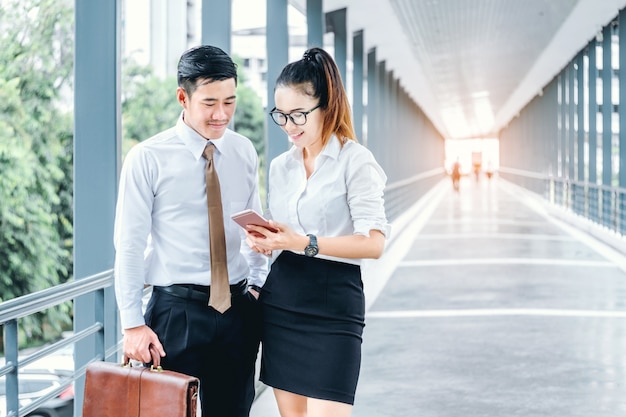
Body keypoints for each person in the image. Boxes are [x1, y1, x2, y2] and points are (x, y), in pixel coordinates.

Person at [113, 45, 268, 417]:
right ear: (183, 97)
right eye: (210, 103)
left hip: (236, 310)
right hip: (176, 313)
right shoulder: (148, 158)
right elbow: (130, 245)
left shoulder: (244, 151)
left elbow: (255, 226)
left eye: (229, 102)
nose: (221, 114)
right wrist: (132, 324)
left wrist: (258, 282)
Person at [245, 47, 390, 417]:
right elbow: (284, 233)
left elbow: (374, 244)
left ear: (325, 106)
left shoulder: (355, 161)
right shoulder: (280, 167)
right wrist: (268, 239)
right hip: (283, 300)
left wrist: (302, 242)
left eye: (298, 115)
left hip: (335, 303)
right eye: (281, 115)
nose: (289, 126)